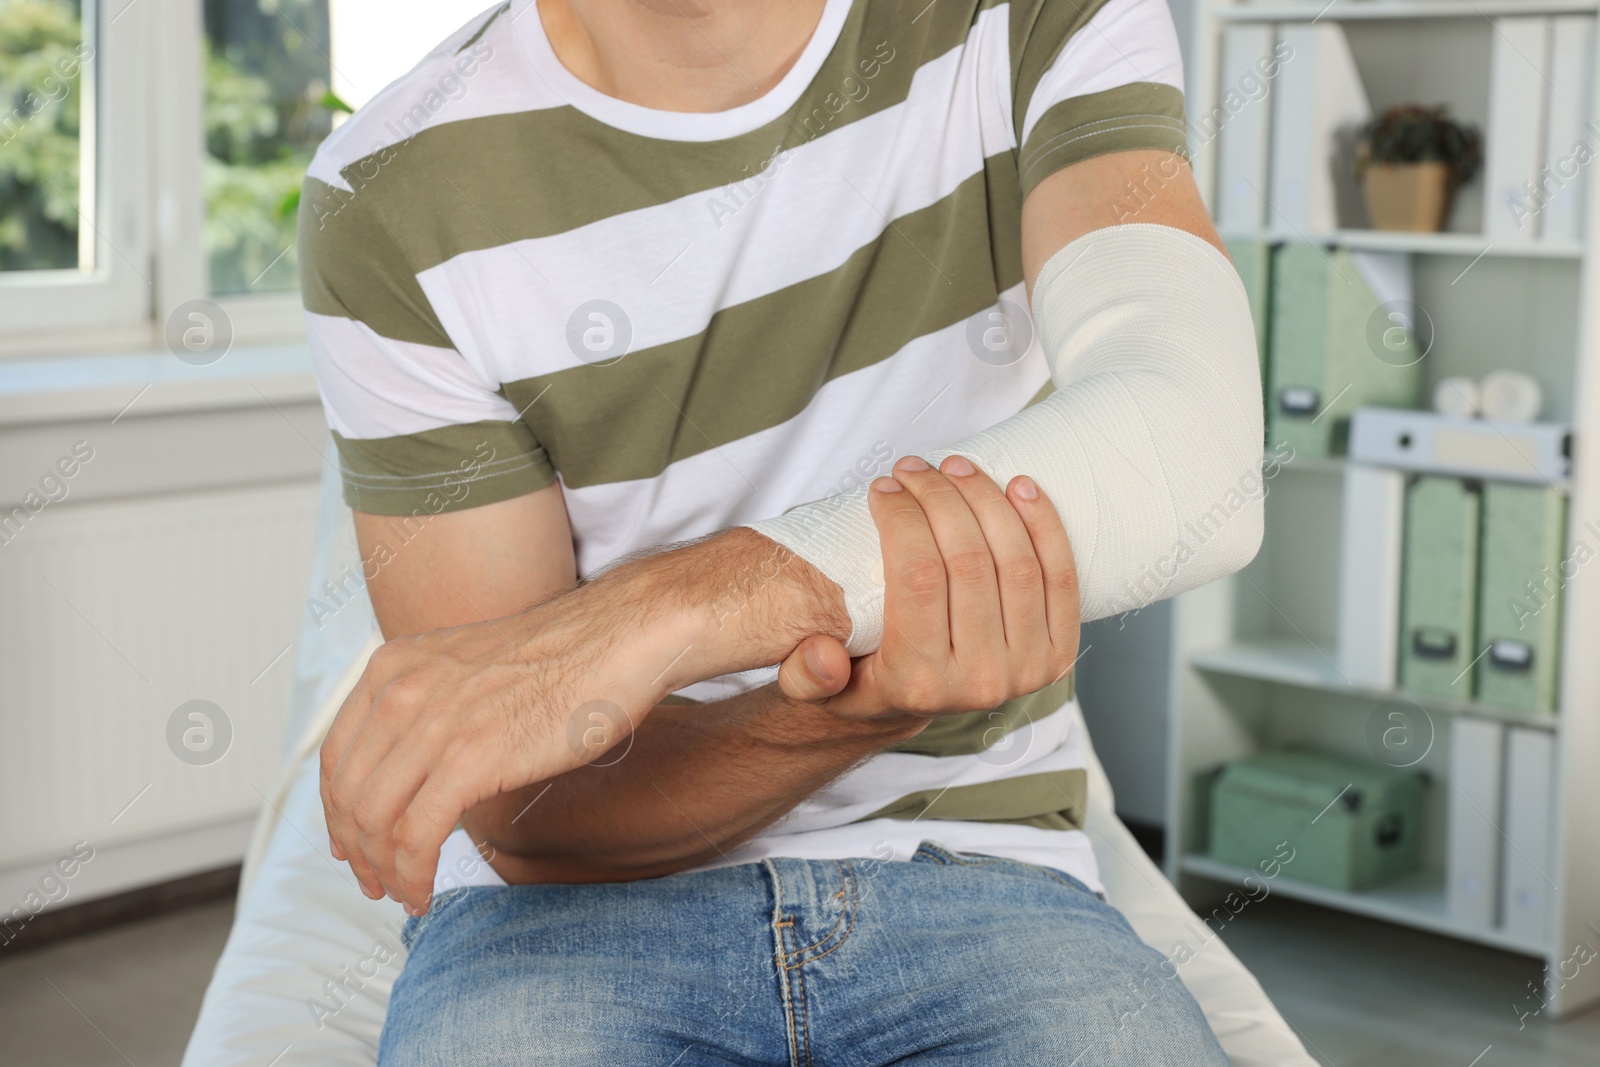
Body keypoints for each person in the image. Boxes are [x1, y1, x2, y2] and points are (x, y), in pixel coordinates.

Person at [301, 0, 1262, 1061]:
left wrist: (658, 615)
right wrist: (854, 708)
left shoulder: (1028, 17)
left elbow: (1191, 444)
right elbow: (533, 815)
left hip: (974, 861)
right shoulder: (386, 194)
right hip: (568, 916)